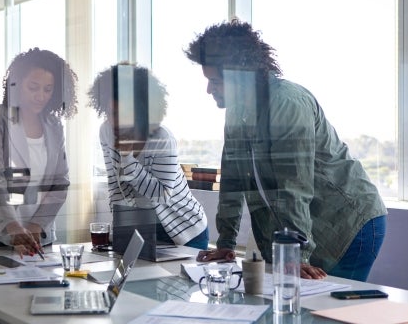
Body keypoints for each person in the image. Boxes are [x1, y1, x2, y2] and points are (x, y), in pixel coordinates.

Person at [185, 19, 387, 281]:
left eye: (215, 81)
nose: (209, 89)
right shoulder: (237, 112)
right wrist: (226, 244)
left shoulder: (287, 104)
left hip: (349, 225)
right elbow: (233, 181)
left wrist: (296, 256)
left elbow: (293, 187)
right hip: (308, 227)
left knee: (326, 312)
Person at [87, 64, 209, 249]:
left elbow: (162, 194)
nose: (117, 122)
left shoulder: (162, 137)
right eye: (112, 113)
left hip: (185, 232)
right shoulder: (106, 131)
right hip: (144, 230)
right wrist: (120, 231)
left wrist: (127, 158)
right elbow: (115, 187)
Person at [0, 48, 78, 257]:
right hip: (1, 236)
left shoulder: (53, 124)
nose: (40, 96)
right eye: (33, 87)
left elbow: (60, 183)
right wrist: (13, 227)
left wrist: (36, 225)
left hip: (39, 238)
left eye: (48, 89)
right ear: (16, 84)